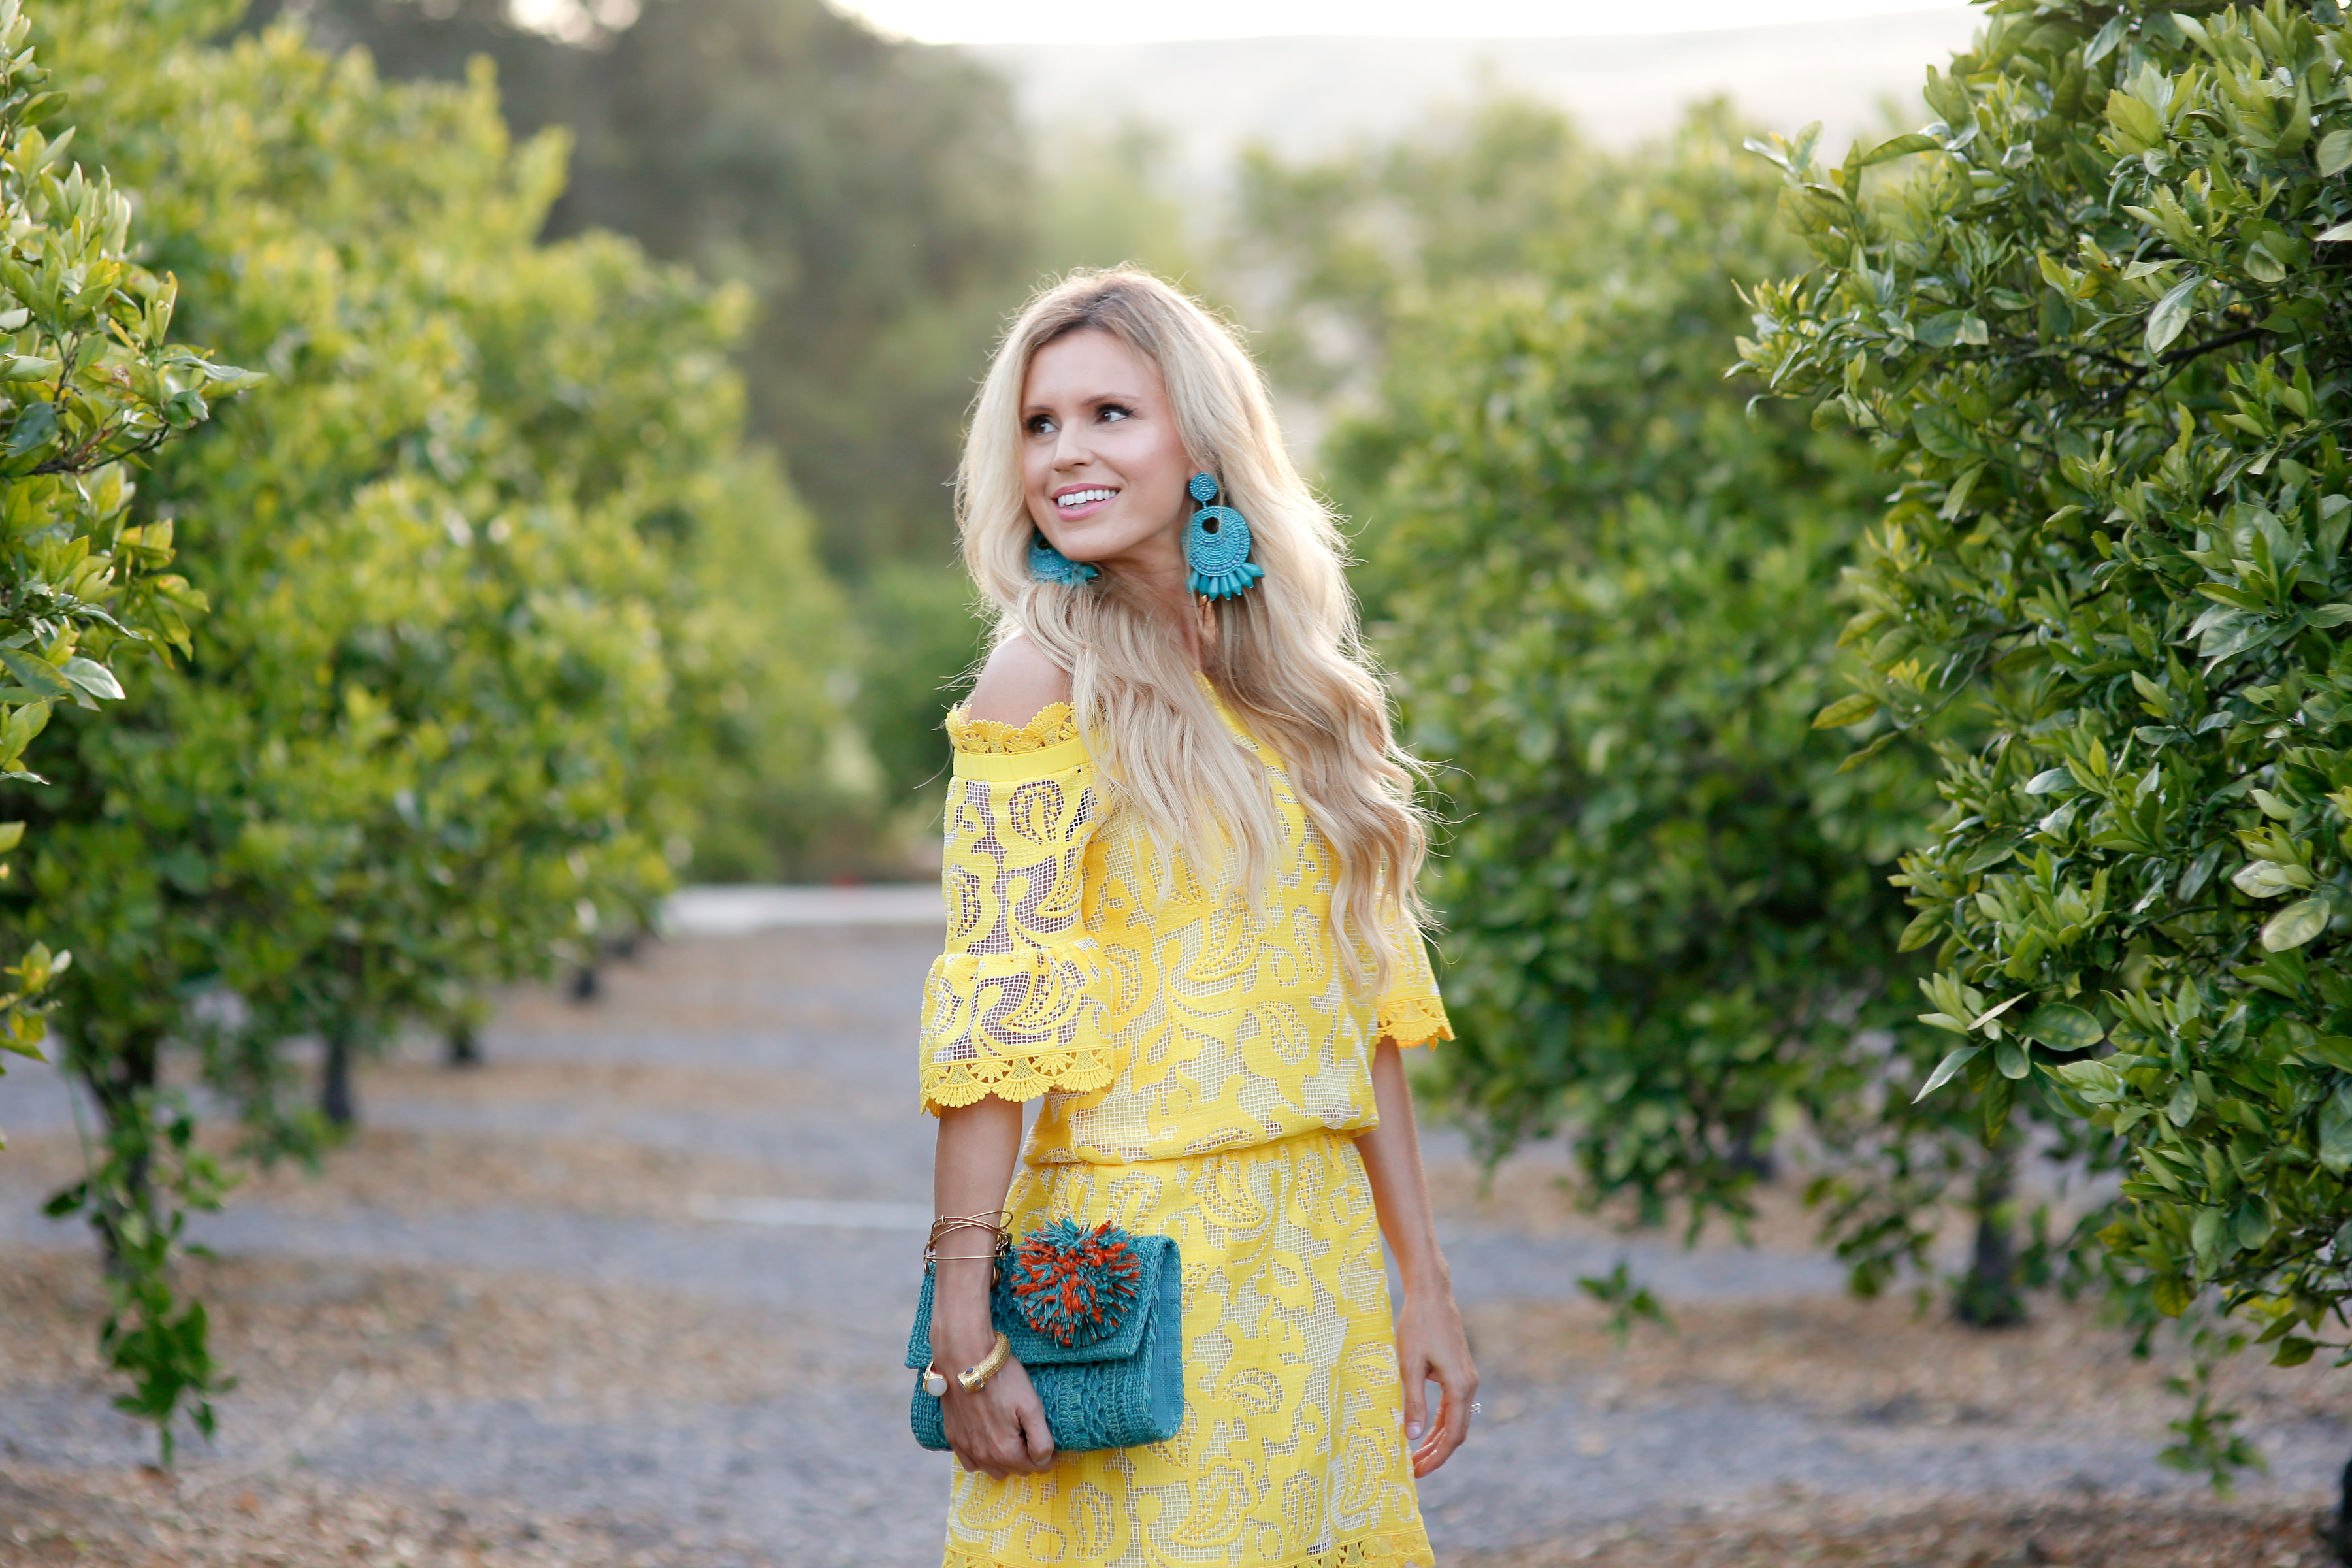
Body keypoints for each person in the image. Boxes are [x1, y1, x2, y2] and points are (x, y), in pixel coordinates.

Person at [918, 268, 1476, 1568]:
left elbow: (1366, 1020)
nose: (1065, 454)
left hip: (1313, 1266)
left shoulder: (1298, 687)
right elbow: (1000, 1025)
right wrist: (963, 1313)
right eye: (1040, 424)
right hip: (1132, 1273)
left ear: (1201, 440)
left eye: (1110, 413)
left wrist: (1425, 1286)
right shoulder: (1038, 676)